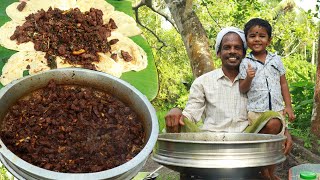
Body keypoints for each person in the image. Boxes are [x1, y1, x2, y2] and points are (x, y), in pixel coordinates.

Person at [165, 26, 293, 179]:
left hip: (245, 145)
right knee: (178, 123)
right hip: (209, 145)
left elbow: (269, 110)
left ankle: (261, 171)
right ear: (218, 53)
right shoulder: (203, 82)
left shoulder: (255, 79)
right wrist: (176, 110)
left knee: (273, 120)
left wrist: (284, 131)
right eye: (227, 47)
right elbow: (190, 114)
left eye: (237, 48)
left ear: (244, 54)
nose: (232, 51)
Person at [238, 17, 295, 180]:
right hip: (256, 112)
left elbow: (283, 84)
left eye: (262, 36)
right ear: (247, 40)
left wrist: (288, 106)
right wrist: (248, 78)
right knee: (263, 143)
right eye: (252, 35)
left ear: (269, 40)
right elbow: (242, 88)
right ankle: (262, 171)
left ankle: (270, 172)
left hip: (276, 110)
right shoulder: (245, 63)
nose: (257, 39)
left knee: (276, 144)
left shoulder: (276, 60)